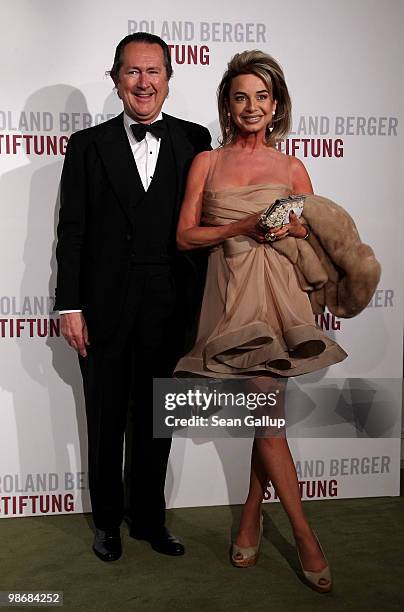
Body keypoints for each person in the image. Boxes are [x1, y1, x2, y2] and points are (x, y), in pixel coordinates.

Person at [174, 50, 349, 593]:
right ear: (227, 104)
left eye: (262, 97)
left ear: (276, 107)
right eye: (241, 96)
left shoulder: (292, 167)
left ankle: (256, 515)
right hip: (232, 298)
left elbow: (311, 235)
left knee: (265, 414)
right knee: (269, 415)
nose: (252, 106)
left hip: (282, 296)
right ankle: (302, 533)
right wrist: (246, 223)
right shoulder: (207, 161)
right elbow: (185, 237)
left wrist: (292, 231)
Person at [55, 32, 211, 562]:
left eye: (154, 72)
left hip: (169, 306)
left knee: (155, 418)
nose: (144, 83)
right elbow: (71, 231)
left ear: (168, 78)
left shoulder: (196, 140)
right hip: (102, 307)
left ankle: (148, 519)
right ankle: (107, 523)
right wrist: (69, 305)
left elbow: (205, 225)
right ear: (116, 79)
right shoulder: (87, 145)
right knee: (104, 418)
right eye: (132, 72)